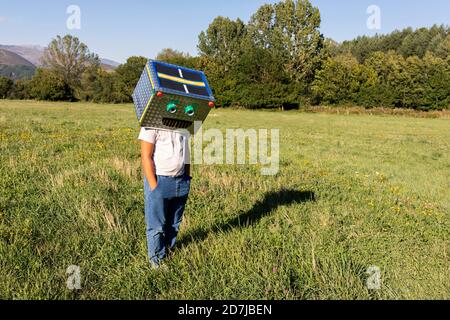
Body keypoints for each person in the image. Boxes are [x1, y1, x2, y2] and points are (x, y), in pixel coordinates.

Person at [139, 127, 192, 269]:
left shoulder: (183, 125)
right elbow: (146, 157)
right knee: (156, 226)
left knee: (174, 223)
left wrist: (187, 177)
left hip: (181, 180)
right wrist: (153, 186)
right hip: (159, 180)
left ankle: (168, 251)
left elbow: (186, 154)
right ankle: (156, 262)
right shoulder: (150, 126)